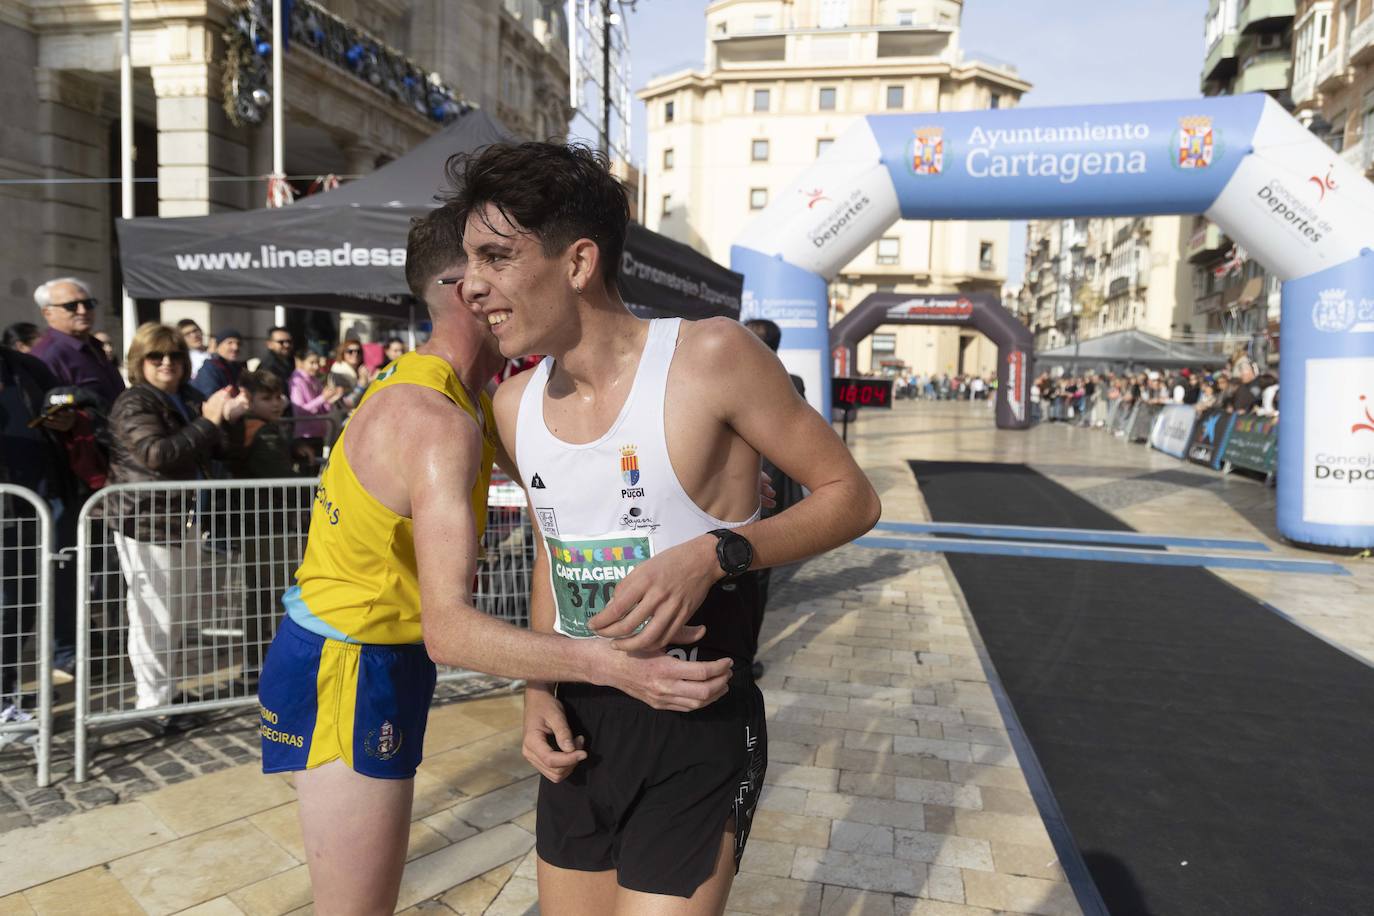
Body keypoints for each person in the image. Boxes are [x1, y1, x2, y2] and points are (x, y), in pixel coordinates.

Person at [257, 205, 738, 915]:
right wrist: (607, 666)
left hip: (374, 655)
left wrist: (716, 476)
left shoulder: (458, 396)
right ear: (467, 287)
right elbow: (449, 631)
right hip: (346, 662)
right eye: (500, 262)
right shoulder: (436, 419)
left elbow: (577, 486)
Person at [452, 141, 881, 914]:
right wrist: (537, 686)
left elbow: (851, 496)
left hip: (693, 719)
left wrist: (716, 555)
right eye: (466, 262)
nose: (470, 287)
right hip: (578, 725)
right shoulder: (513, 407)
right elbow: (555, 548)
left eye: (495, 257)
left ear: (578, 262)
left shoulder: (710, 354)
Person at [102, 323, 248, 719]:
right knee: (153, 616)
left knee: (177, 614)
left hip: (185, 519)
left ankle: (166, 693)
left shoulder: (185, 396)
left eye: (175, 356)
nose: (167, 363)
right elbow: (157, 454)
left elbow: (223, 451)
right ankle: (153, 703)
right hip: (147, 522)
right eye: (156, 356)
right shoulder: (134, 402)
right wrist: (210, 421)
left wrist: (229, 418)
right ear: (140, 361)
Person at [0, 343, 82, 744]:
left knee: (20, 607)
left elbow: (73, 406)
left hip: (32, 504)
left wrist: (65, 419)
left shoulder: (24, 365)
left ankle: (6, 691)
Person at [742, 318, 805, 679]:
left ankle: (742, 656)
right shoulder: (791, 383)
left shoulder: (783, 383)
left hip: (762, 498)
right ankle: (743, 656)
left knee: (754, 581)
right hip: (754, 497)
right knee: (754, 584)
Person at [30, 278, 125, 408]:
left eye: (88, 304)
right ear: (48, 313)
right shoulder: (47, 355)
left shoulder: (95, 346)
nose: (83, 311)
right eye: (71, 306)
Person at [288, 347, 343, 440]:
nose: (316, 366)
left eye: (317, 362)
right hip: (305, 435)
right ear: (301, 363)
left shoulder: (315, 380)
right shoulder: (296, 382)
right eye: (312, 363)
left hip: (319, 433)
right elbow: (300, 411)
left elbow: (324, 410)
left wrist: (330, 399)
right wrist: (323, 398)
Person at [192, 328, 244, 398]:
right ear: (218, 346)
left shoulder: (238, 368)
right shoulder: (210, 369)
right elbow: (211, 398)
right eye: (230, 343)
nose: (235, 347)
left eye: (238, 343)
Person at [327, 339, 372, 409]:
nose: (355, 354)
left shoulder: (358, 370)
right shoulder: (339, 372)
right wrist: (361, 386)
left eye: (358, 351)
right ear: (342, 353)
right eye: (350, 351)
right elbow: (347, 403)